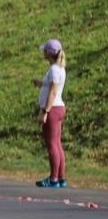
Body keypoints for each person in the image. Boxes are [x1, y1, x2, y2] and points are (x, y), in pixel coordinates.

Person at [36, 38, 68, 188]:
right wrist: (41, 84)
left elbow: (54, 91)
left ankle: (54, 178)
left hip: (53, 109)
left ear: (49, 53)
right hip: (58, 108)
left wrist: (45, 111)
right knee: (57, 144)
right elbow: (51, 85)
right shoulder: (59, 68)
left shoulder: (55, 69)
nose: (43, 52)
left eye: (45, 50)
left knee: (52, 144)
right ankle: (61, 178)